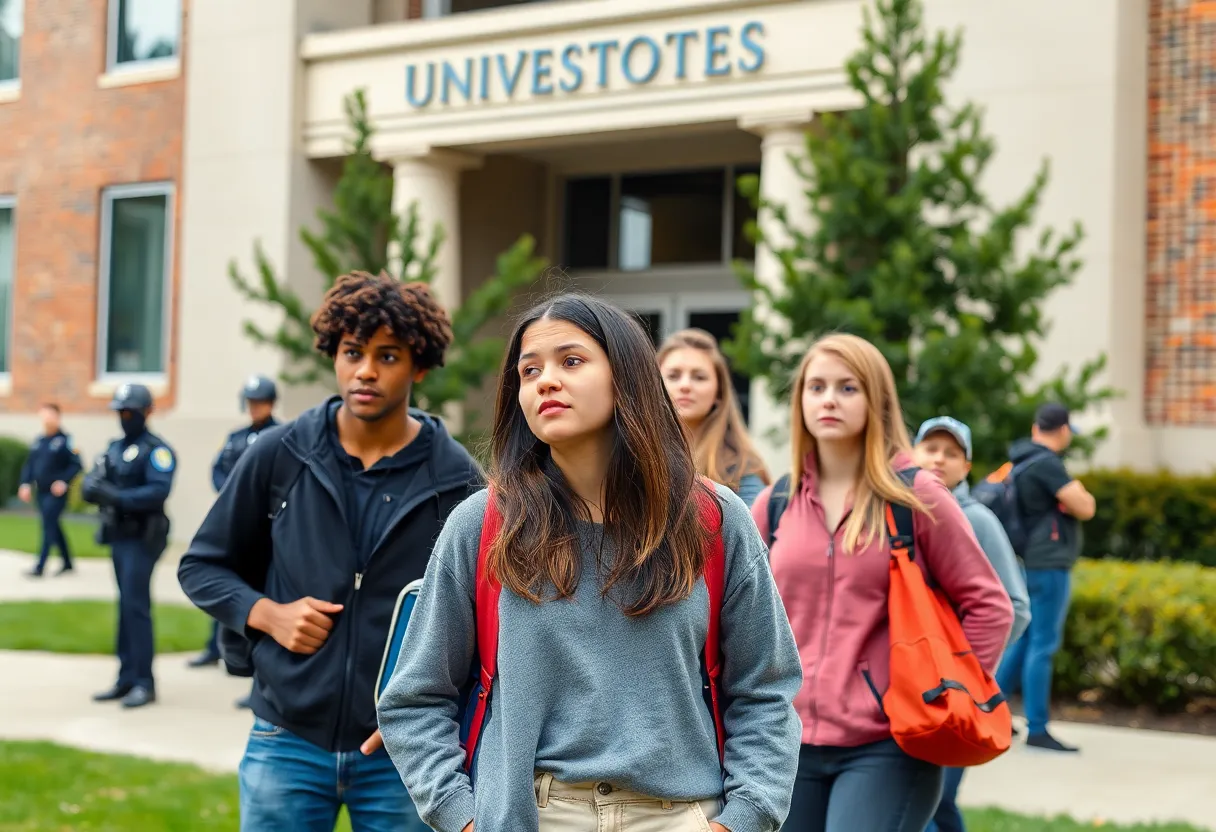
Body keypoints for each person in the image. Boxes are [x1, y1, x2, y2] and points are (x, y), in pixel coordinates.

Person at [376, 293, 804, 832]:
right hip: (530, 815)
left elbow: (766, 691)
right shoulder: (482, 525)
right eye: (528, 371)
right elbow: (414, 699)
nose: (545, 382)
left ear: (625, 376)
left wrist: (741, 820)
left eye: (571, 361)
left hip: (681, 817)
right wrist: (462, 819)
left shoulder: (715, 519)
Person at [177, 270, 482, 832]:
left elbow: (486, 623)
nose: (366, 370)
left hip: (402, 756)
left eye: (387, 356)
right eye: (352, 352)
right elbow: (201, 565)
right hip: (285, 737)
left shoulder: (458, 481)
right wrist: (267, 615)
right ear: (333, 357)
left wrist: (422, 724)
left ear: (419, 367)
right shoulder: (280, 455)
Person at [750, 333, 1014, 832]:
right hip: (787, 741)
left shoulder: (917, 496)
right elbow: (737, 617)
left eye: (848, 388)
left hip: (887, 744)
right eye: (817, 387)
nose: (829, 399)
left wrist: (944, 693)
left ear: (877, 402)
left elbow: (990, 606)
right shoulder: (775, 503)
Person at [913, 415, 1032, 832]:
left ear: (967, 467)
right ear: (912, 454)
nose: (939, 459)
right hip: (909, 690)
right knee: (932, 806)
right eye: (930, 448)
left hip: (952, 695)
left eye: (952, 453)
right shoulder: (900, 513)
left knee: (933, 801)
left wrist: (968, 670)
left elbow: (1014, 607)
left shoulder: (976, 519)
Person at [995, 402, 1096, 754]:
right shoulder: (1048, 464)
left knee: (1025, 640)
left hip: (1026, 560)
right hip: (1049, 563)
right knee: (1043, 644)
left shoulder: (1019, 461)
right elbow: (1086, 507)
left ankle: (987, 707)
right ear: (1064, 430)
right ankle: (1037, 727)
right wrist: (1078, 492)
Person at [80, 383, 177, 710]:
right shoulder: (114, 448)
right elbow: (95, 481)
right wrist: (93, 489)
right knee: (125, 606)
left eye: (130, 412)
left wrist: (117, 497)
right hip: (119, 536)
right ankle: (125, 676)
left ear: (146, 412)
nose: (124, 417)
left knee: (136, 607)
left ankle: (144, 682)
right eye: (120, 412)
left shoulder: (156, 451)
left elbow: (157, 491)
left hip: (142, 537)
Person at [188, 373, 281, 682]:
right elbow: (218, 470)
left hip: (265, 528)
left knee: (256, 591)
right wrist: (233, 495)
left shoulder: (280, 436)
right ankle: (214, 647)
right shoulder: (235, 437)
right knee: (223, 580)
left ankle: (254, 664)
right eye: (251, 402)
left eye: (260, 402)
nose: (255, 408)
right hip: (235, 523)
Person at [657, 328, 770, 507]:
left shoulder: (742, 471)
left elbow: (751, 533)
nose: (685, 385)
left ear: (719, 393)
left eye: (699, 377)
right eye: (673, 376)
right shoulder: (628, 456)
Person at [17, 403, 84, 577]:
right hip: (41, 491)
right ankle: (68, 562)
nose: (46, 419)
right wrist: (25, 483)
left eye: (50, 415)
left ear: (57, 417)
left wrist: (63, 481)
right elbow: (30, 465)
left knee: (48, 525)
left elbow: (76, 465)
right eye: (43, 415)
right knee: (53, 525)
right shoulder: (39, 441)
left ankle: (40, 566)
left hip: (57, 493)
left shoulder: (65, 440)